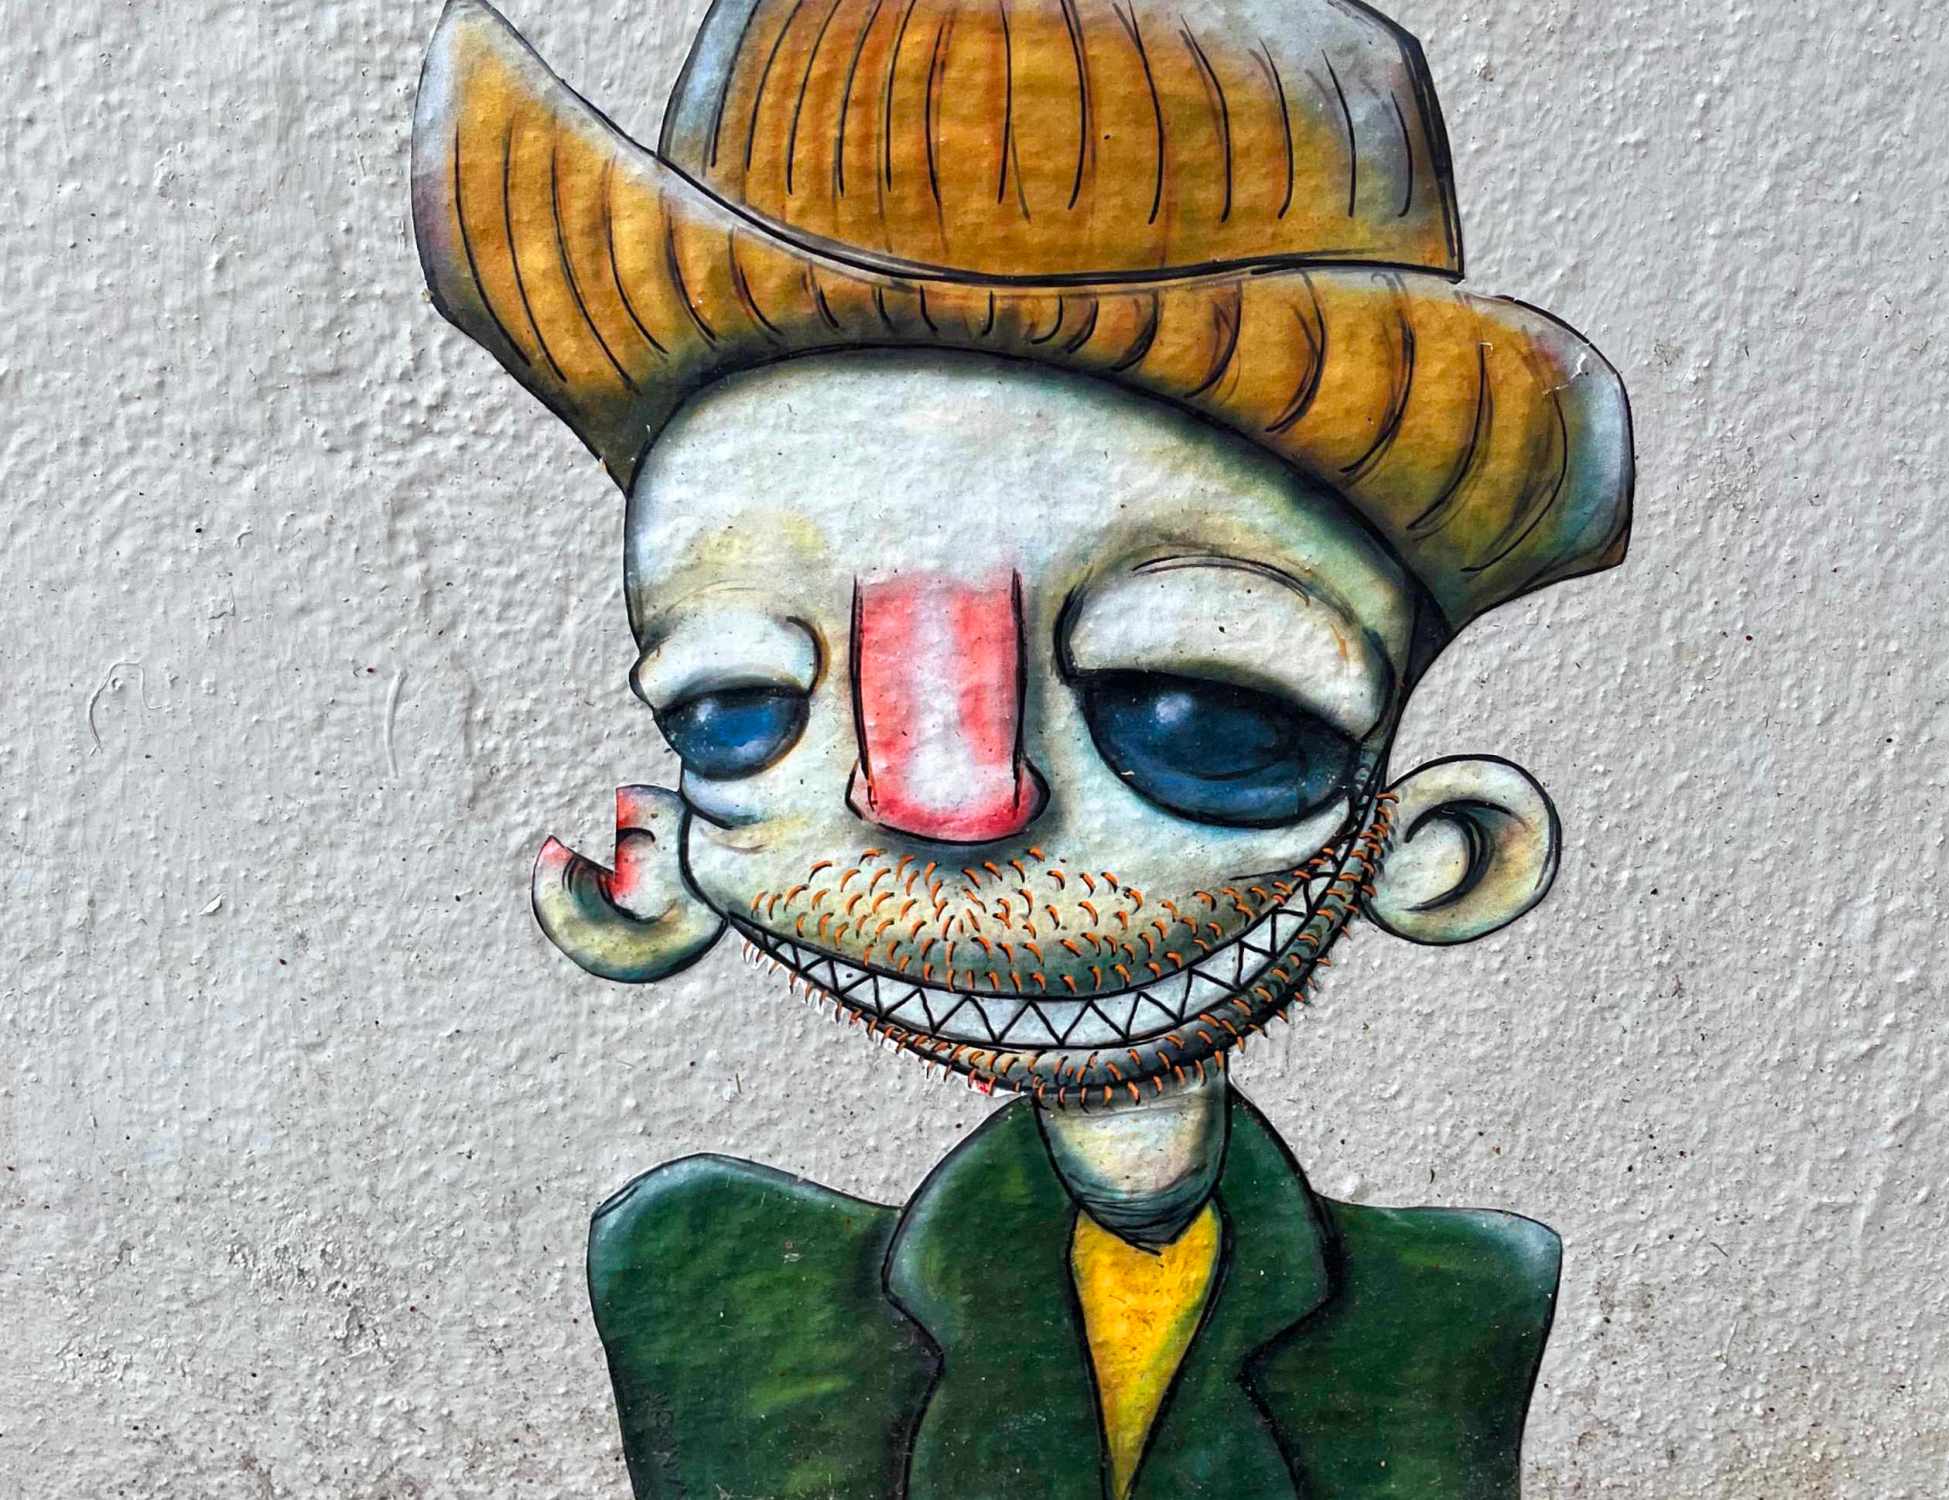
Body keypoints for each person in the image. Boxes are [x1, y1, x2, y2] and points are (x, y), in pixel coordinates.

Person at [410, 0, 1634, 1493]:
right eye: (739, 710)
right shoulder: (701, 1291)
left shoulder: (1457, 1313)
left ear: (1447, 850)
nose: (951, 802)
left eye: (1197, 709)